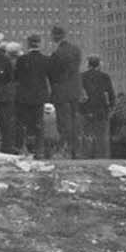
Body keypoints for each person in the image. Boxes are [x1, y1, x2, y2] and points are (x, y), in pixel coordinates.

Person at [47, 26, 84, 159]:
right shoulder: (76, 50)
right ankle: (76, 150)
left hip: (61, 91)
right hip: (75, 90)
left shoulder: (56, 54)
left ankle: (65, 148)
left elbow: (52, 74)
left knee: (63, 122)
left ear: (55, 36)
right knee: (75, 119)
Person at [15, 35, 53, 158]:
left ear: (28, 44)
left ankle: (22, 148)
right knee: (39, 124)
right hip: (40, 97)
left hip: (24, 96)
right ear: (39, 44)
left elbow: (16, 77)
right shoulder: (46, 60)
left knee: (23, 124)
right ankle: (39, 150)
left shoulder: (21, 59)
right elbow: (50, 78)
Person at [79, 56, 115, 159]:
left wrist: (79, 109)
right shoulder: (105, 77)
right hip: (101, 111)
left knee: (86, 135)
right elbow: (111, 94)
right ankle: (101, 158)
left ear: (88, 64)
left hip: (85, 111)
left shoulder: (81, 77)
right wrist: (110, 108)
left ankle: (86, 156)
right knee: (101, 137)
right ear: (99, 65)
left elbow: (77, 94)